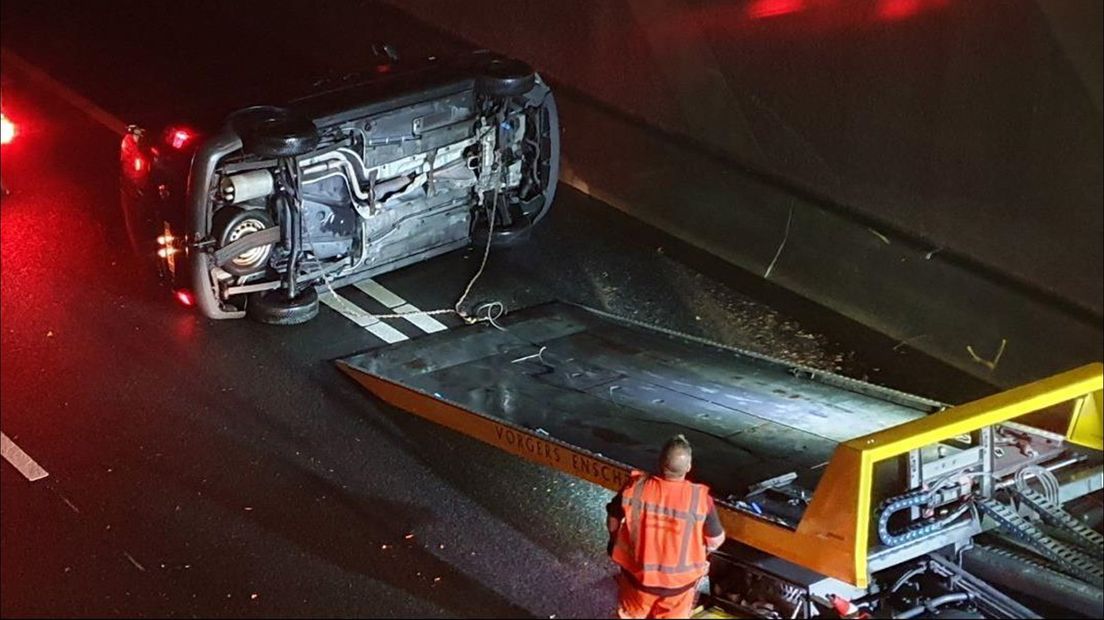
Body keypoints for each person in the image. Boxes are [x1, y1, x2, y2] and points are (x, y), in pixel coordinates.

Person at [606, 434, 726, 619]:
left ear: (660, 462)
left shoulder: (636, 487)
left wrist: (614, 540)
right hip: (678, 589)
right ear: (688, 467)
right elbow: (715, 540)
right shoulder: (699, 499)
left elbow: (613, 519)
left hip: (638, 580)